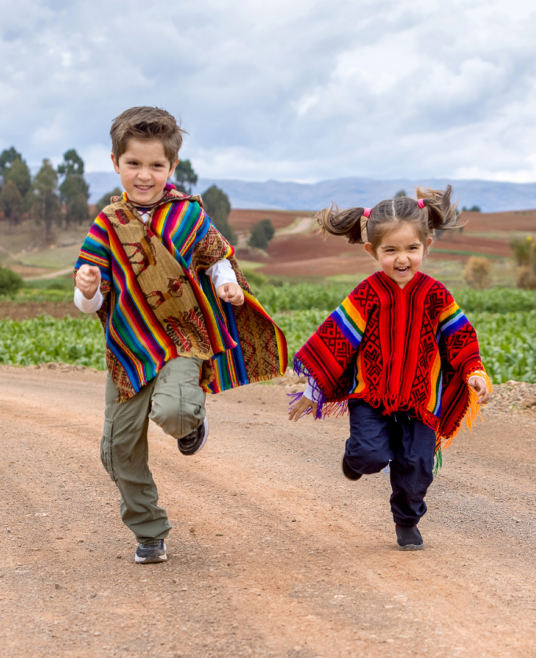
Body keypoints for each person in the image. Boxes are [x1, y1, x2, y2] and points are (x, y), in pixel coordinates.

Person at [74, 107, 287, 564]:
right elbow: (90, 297)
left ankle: (191, 420)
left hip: (183, 337)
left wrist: (225, 281)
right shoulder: (107, 226)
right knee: (118, 447)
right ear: (116, 163)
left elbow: (216, 257)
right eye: (134, 164)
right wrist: (88, 291)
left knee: (172, 411)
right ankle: (148, 530)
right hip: (129, 348)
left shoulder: (187, 216)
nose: (144, 175)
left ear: (172, 167)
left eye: (156, 165)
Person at [289, 187, 491, 551]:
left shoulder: (436, 295)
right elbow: (338, 339)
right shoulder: (366, 294)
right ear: (372, 251)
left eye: (411, 249)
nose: (402, 259)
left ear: (427, 246)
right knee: (369, 456)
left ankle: (407, 520)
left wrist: (473, 371)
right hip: (371, 396)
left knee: (417, 468)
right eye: (391, 251)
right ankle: (354, 457)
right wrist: (312, 391)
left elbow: (460, 337)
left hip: (420, 401)